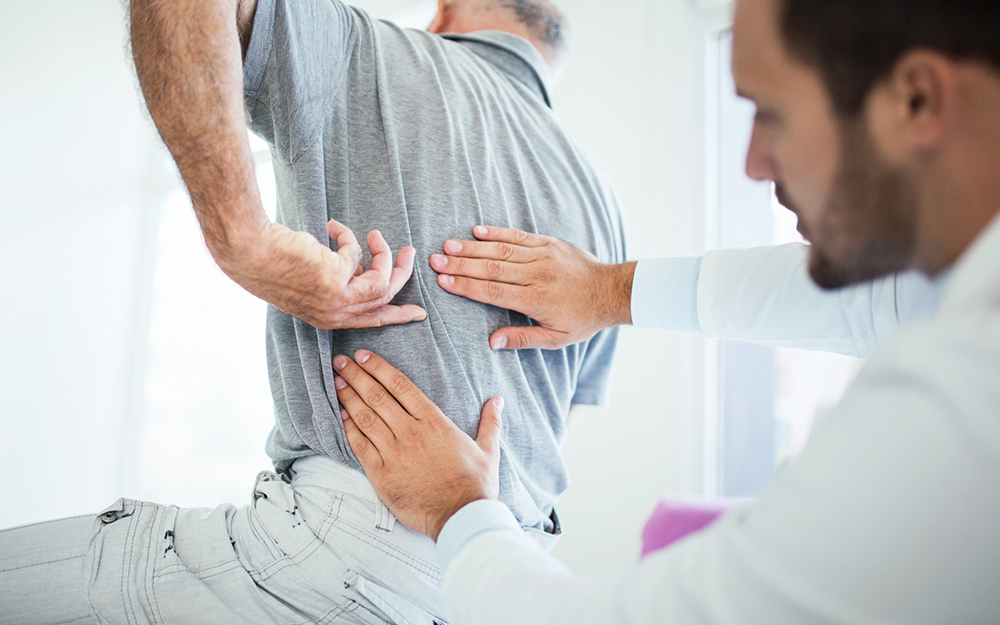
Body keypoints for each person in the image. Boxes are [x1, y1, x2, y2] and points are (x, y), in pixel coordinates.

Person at [331, 0, 1000, 622]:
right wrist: (608, 291)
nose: (752, 163)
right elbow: (872, 302)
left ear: (916, 98)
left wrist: (461, 511)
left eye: (771, 113)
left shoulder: (963, 404)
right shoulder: (957, 301)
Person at [0, 0, 629, 623]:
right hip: (494, 581)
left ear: (444, 12)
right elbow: (548, 430)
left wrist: (243, 241)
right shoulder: (605, 213)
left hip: (355, 555)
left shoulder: (373, 49)